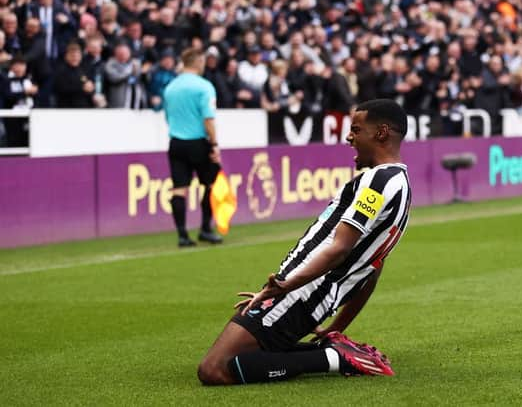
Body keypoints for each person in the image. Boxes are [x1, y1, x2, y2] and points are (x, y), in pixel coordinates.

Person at [197, 98, 412, 385]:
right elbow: (373, 266)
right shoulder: (400, 187)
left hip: (302, 291)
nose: (349, 137)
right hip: (305, 293)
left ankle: (333, 358)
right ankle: (335, 351)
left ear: (381, 133)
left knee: (215, 369)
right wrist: (337, 326)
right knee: (247, 354)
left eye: (356, 130)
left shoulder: (379, 182)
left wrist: (287, 286)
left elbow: (340, 248)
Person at [163, 47, 224, 247]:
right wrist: (214, 144)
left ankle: (182, 235)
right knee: (209, 183)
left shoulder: (170, 87)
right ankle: (205, 228)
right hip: (198, 142)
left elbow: (167, 117)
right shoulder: (204, 86)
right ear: (198, 62)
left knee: (179, 189)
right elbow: (208, 119)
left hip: (176, 142)